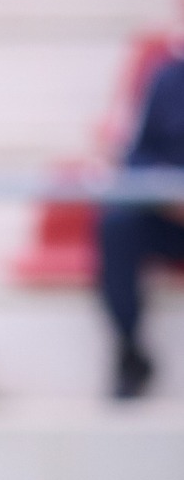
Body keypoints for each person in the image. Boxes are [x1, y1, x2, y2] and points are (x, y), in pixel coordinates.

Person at [98, 48, 184, 398]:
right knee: (117, 225)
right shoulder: (167, 78)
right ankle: (130, 349)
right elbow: (137, 155)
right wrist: (166, 191)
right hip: (166, 213)